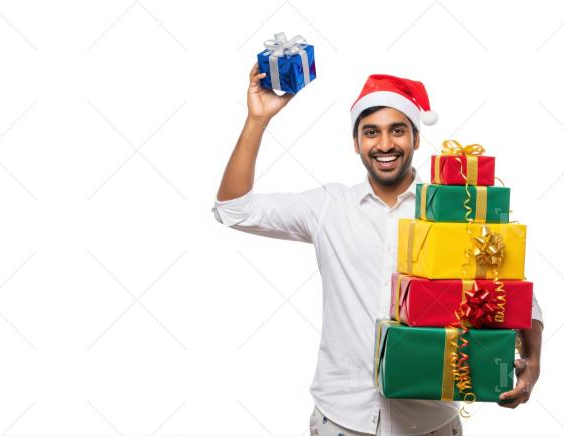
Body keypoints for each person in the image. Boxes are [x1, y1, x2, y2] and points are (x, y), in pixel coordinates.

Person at [212, 64, 544, 435]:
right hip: (342, 418)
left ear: (416, 139)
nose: (385, 144)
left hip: (429, 422)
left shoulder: (454, 211)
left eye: (397, 130)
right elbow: (233, 209)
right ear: (356, 143)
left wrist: (533, 362)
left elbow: (516, 295)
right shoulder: (329, 207)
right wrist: (257, 120)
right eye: (371, 132)